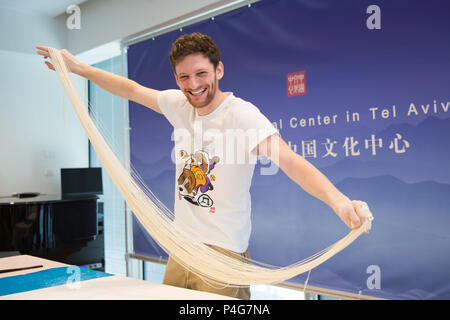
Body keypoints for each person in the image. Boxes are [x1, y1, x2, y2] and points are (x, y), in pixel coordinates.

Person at [36, 33, 372, 299]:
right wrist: (77, 68)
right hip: (181, 249)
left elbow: (289, 161)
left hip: (223, 256)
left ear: (219, 70)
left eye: (201, 74)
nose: (193, 85)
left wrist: (339, 201)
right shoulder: (179, 104)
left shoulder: (242, 115)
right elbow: (133, 90)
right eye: (184, 77)